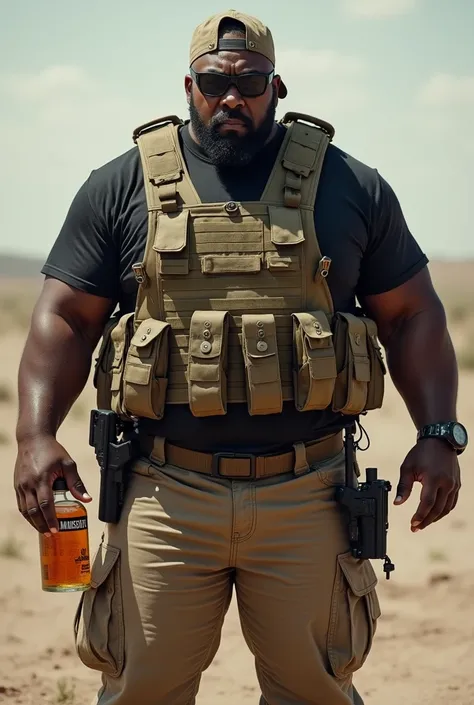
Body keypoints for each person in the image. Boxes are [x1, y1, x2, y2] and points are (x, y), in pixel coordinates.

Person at [13, 9, 467, 705]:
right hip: (164, 492)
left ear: (276, 85)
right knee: (142, 690)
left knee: (314, 691)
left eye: (250, 81)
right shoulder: (121, 185)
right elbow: (65, 317)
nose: (232, 97)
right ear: (187, 85)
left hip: (307, 492)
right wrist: (35, 434)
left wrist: (439, 433)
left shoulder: (350, 185)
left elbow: (411, 315)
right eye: (214, 81)